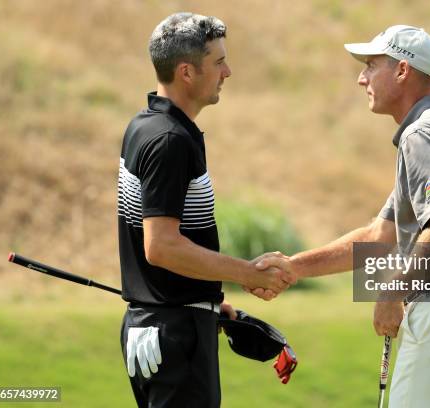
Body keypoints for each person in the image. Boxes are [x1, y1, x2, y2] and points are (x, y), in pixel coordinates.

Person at [251, 25, 430, 407]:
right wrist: (294, 267)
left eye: (371, 65)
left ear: (402, 71)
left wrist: (394, 288)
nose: (362, 78)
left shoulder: (422, 135)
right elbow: (380, 235)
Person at [117, 13, 295, 408]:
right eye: (218, 62)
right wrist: (247, 272)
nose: (227, 71)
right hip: (173, 338)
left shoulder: (145, 126)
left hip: (160, 326)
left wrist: (209, 300)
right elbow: (160, 247)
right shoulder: (169, 141)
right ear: (186, 72)